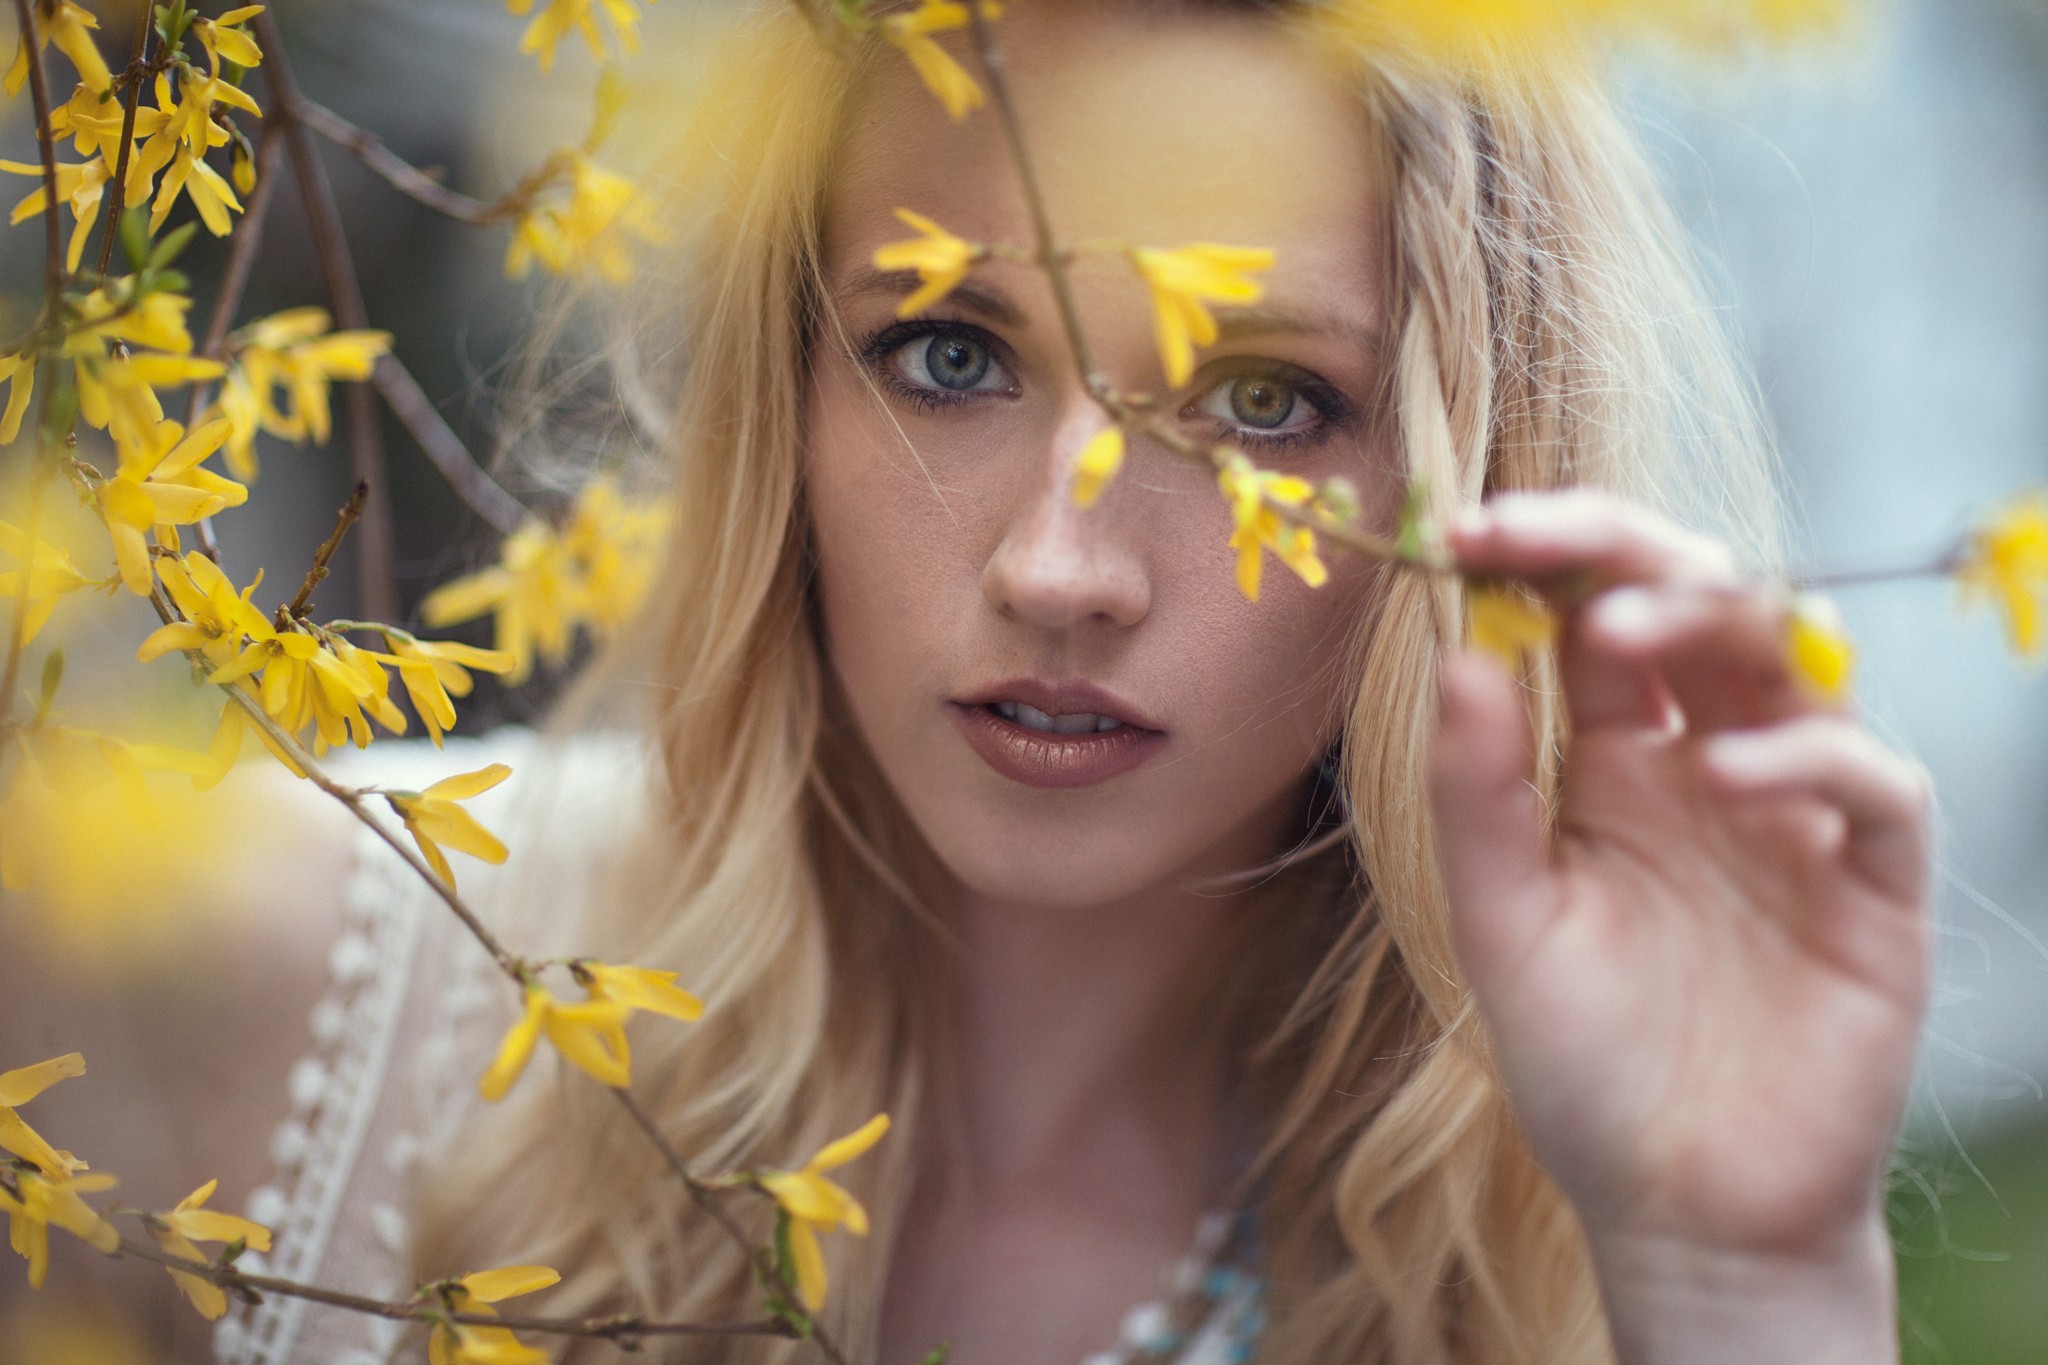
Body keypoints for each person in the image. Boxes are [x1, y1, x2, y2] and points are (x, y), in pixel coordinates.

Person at [211, 2, 1934, 1363]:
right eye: (947, 356)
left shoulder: (1562, 1253)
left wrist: (1737, 1289)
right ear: (785, 404)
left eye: (1264, 400)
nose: (1059, 568)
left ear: (1470, 484)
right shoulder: (288, 984)